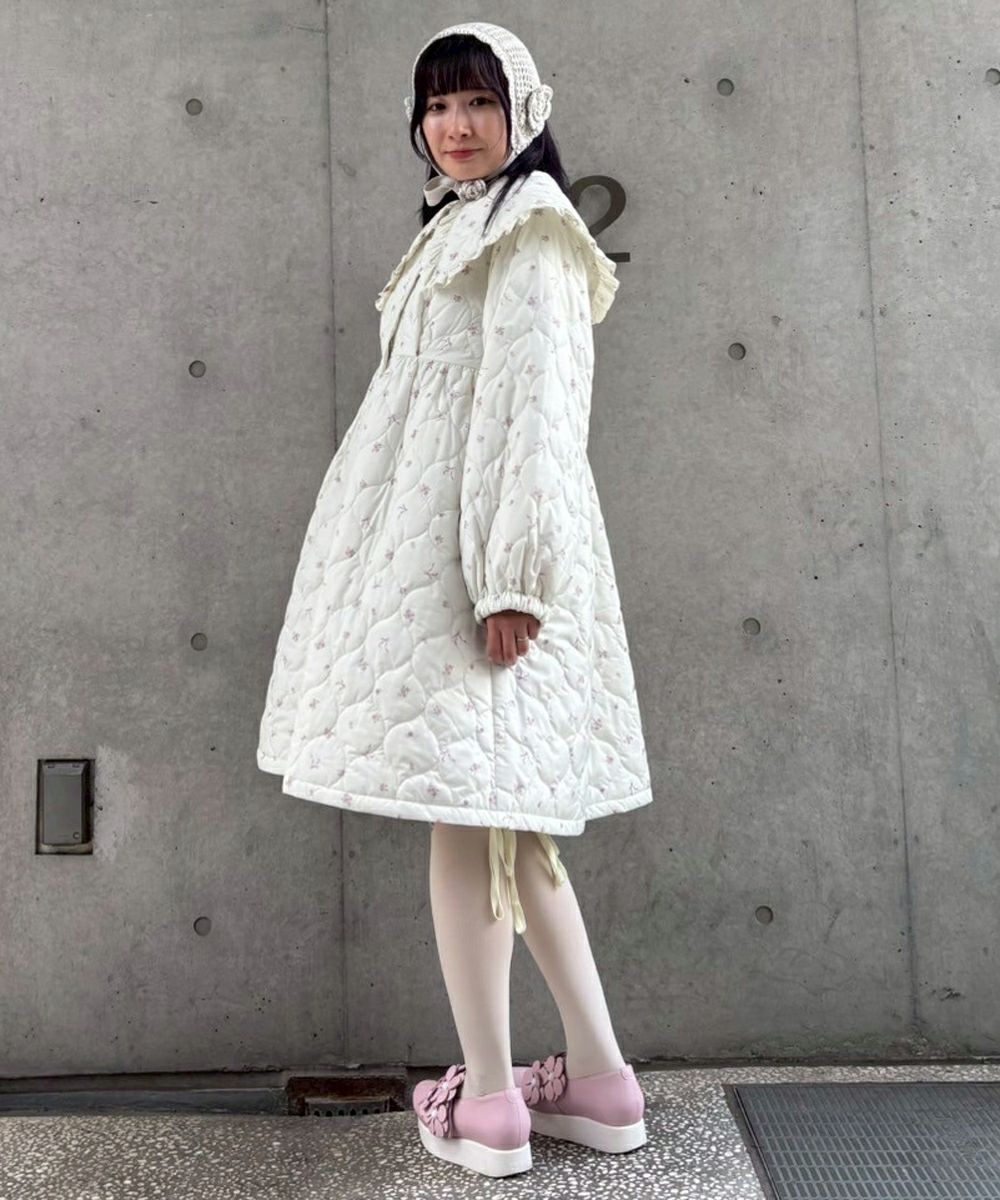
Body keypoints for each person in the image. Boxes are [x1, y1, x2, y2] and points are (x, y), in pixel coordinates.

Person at [256, 20, 653, 1178]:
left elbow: (536, 418)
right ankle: (598, 1078)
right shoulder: (466, 225)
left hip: (480, 574)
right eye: (437, 106)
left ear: (522, 111)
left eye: (477, 101)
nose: (456, 125)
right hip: (442, 564)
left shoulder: (530, 230)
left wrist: (512, 580)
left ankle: (487, 1100)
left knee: (473, 823)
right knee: (503, 827)